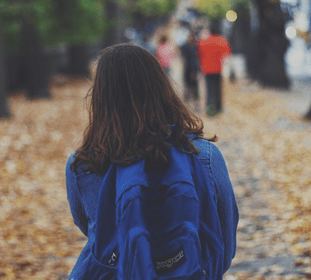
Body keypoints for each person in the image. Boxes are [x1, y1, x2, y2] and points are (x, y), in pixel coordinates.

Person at [65, 43, 238, 279]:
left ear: (100, 97)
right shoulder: (203, 155)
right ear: (162, 88)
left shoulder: (83, 164)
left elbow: (95, 232)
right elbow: (224, 240)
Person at [197, 20, 231, 116]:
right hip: (218, 68)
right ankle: (219, 107)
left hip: (206, 68)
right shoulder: (222, 41)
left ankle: (210, 107)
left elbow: (199, 54)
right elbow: (226, 55)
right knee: (218, 89)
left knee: (209, 89)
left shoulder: (203, 41)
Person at [180, 31, 201, 109]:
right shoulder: (194, 47)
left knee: (191, 87)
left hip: (190, 69)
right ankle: (193, 104)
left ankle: (193, 104)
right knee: (192, 87)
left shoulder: (188, 47)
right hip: (191, 69)